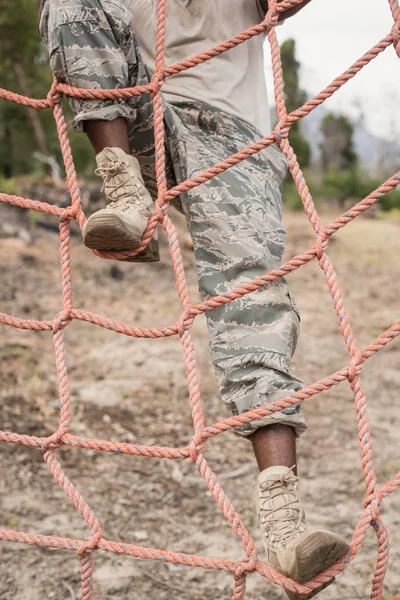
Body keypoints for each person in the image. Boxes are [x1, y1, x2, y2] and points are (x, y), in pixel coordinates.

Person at [38, 0, 349, 596]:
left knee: (250, 291)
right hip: (143, 120)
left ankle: (282, 518)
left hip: (233, 132)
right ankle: (126, 196)